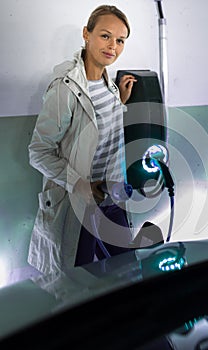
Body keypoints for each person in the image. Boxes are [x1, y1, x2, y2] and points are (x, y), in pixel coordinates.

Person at [27, 5, 137, 275]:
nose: (113, 46)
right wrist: (80, 185)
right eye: (105, 36)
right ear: (86, 34)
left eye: (120, 40)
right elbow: (38, 152)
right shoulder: (65, 89)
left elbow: (98, 132)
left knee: (126, 273)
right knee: (82, 283)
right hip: (79, 205)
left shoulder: (109, 85)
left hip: (111, 199)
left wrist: (118, 103)